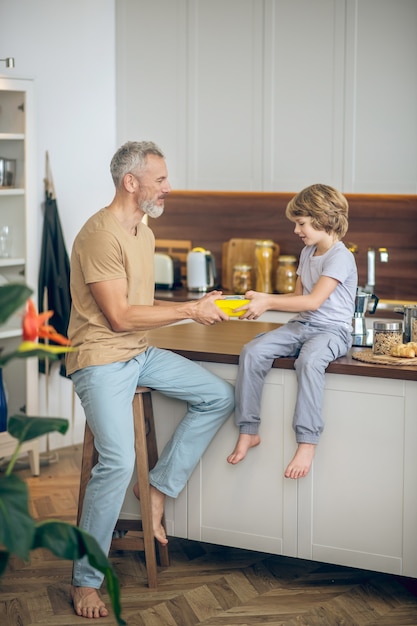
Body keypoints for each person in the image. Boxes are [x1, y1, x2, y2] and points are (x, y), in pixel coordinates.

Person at [66, 141, 234, 619]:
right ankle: (85, 580)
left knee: (218, 395)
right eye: (160, 178)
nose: (169, 186)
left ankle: (157, 488)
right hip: (100, 358)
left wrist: (199, 306)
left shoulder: (143, 230)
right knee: (117, 463)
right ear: (131, 182)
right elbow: (118, 317)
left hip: (139, 354)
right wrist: (189, 311)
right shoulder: (100, 236)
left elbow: (139, 315)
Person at [227, 184, 357, 479]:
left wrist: (268, 301)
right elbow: (296, 298)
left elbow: (314, 300)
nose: (297, 230)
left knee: (309, 362)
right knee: (252, 351)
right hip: (303, 325)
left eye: (301, 223)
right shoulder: (308, 251)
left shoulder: (340, 256)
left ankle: (307, 441)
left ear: (323, 219)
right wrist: (261, 298)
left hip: (332, 331)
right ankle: (249, 429)